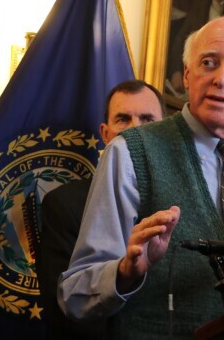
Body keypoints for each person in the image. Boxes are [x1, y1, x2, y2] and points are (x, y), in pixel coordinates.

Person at [59, 16, 224, 338]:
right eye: (209, 62)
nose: (221, 79)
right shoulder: (130, 154)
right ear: (188, 74)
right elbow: (75, 295)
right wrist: (125, 273)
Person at [38, 80, 165, 339]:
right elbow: (65, 311)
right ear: (105, 133)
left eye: (147, 120)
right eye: (123, 120)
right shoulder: (64, 205)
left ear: (164, 132)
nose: (134, 132)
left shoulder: (174, 201)